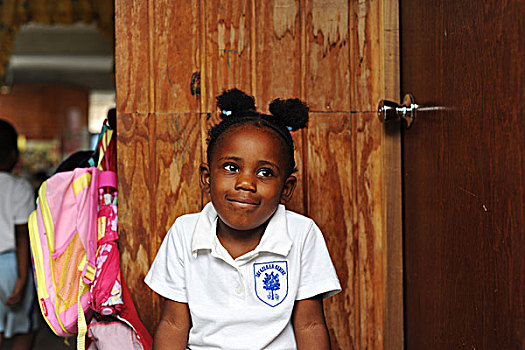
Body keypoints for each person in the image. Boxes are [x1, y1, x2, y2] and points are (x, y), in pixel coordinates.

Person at [145, 89, 341, 349]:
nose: (246, 183)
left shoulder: (302, 233)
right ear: (207, 177)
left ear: (286, 188)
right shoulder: (184, 232)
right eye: (231, 168)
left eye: (264, 172)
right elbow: (173, 324)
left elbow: (310, 325)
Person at [0, 119, 38, 349]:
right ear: (14, 154)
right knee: (25, 328)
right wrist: (23, 279)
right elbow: (23, 234)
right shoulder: (20, 187)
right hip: (12, 265)